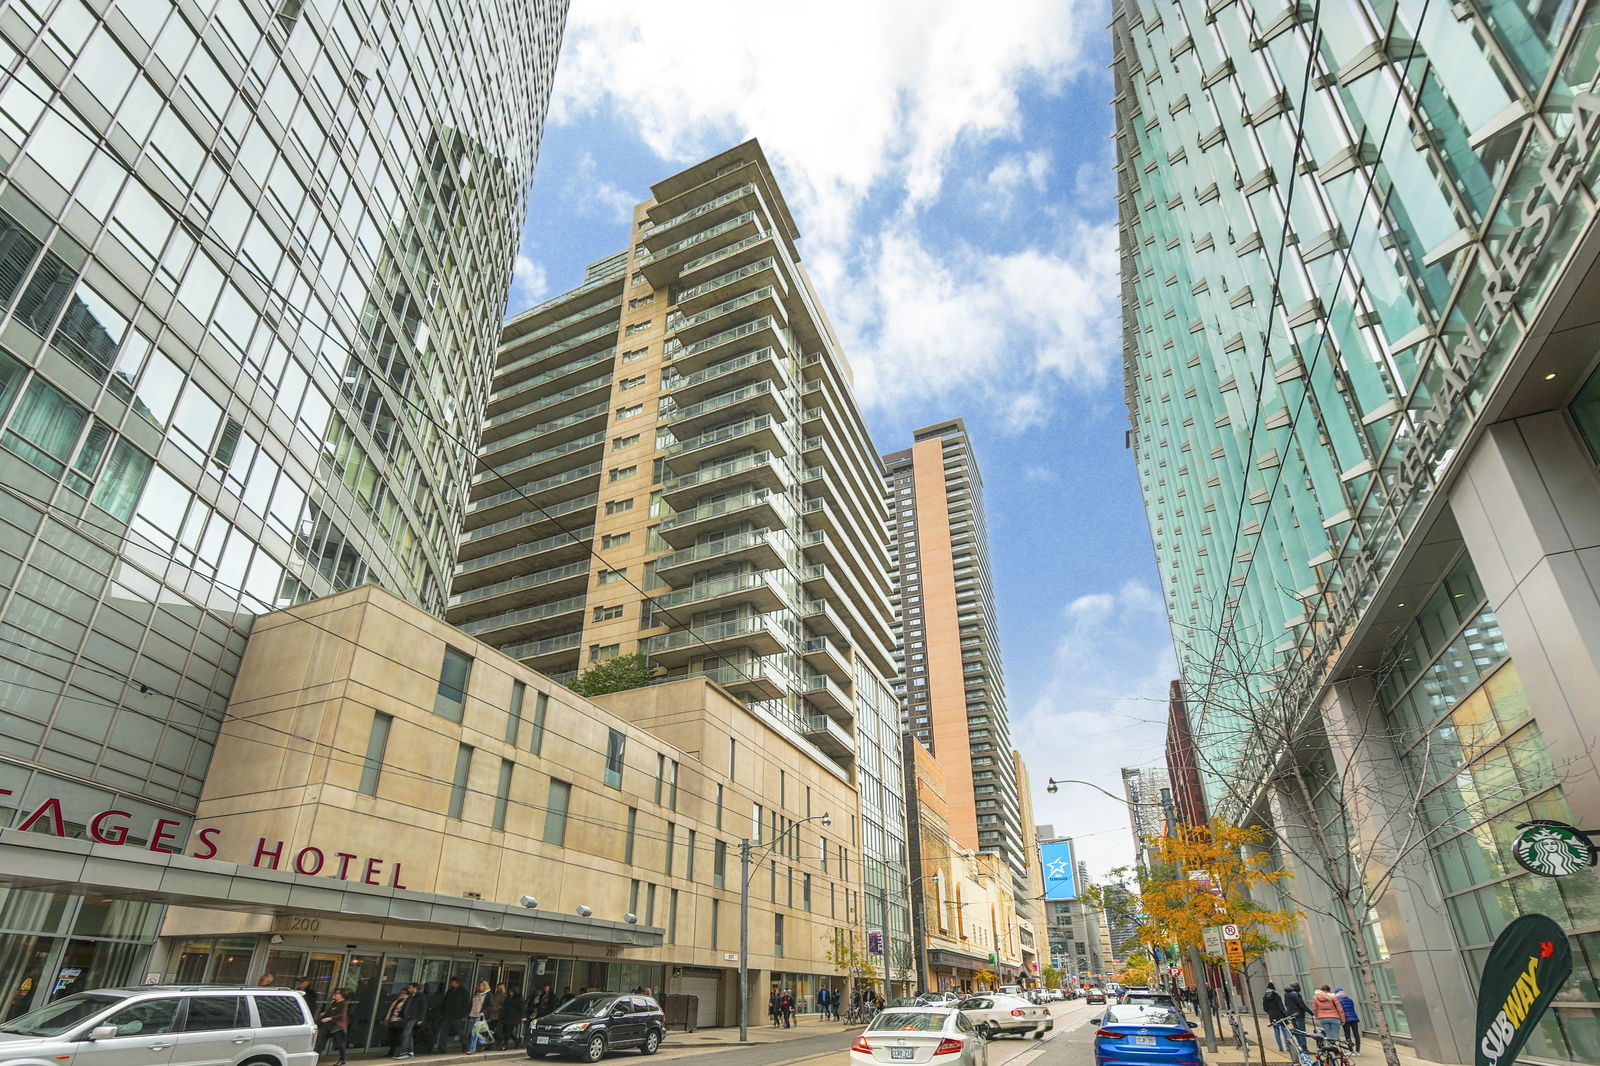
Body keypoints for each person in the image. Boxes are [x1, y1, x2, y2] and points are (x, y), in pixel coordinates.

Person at [435, 977, 471, 1054]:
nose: (451, 984)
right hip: (447, 1015)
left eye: (452, 982)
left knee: (460, 1031)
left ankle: (466, 1046)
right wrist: (442, 1012)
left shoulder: (464, 992)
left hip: (458, 1015)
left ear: (456, 982)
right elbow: (445, 1002)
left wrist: (464, 1015)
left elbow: (467, 1005)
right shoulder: (450, 991)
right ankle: (441, 1048)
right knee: (443, 1032)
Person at [392, 982, 427, 1059]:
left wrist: (421, 1019)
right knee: (409, 1035)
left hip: (414, 1017)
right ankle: (410, 1052)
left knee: (405, 1034)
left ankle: (404, 1052)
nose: (408, 989)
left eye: (410, 988)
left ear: (415, 988)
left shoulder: (421, 996)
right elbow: (406, 1007)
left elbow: (424, 1008)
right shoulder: (410, 996)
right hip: (407, 1018)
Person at [317, 988, 349, 1066]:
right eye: (335, 993)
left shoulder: (344, 1003)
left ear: (342, 995)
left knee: (340, 1043)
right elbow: (328, 1012)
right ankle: (316, 1059)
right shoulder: (334, 1003)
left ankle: (342, 1059)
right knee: (320, 1043)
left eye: (338, 993)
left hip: (337, 1027)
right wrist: (322, 1017)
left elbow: (342, 1015)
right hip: (328, 1026)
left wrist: (331, 1018)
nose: (335, 995)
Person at [1262, 982, 1292, 1053]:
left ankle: (1280, 1047)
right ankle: (1288, 1047)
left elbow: (1265, 1008)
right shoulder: (1277, 996)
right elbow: (1281, 1006)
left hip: (1272, 1016)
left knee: (1276, 1032)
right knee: (1285, 1030)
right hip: (1280, 1015)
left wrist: (1270, 1013)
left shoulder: (1265, 997)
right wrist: (1285, 1013)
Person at [468, 979, 492, 1052]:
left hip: (480, 1015)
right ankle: (483, 1042)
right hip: (473, 1014)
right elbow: (472, 1004)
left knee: (474, 1033)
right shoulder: (477, 993)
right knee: (472, 1032)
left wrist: (483, 1012)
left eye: (482, 985)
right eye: (480, 985)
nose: (480, 987)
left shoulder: (488, 994)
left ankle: (472, 1049)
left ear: (485, 986)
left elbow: (489, 1006)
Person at [1284, 982, 1310, 1052]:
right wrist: (1310, 1012)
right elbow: (1301, 1005)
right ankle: (1304, 1048)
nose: (1300, 988)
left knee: (1296, 1031)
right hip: (1299, 1015)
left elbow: (1286, 1004)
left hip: (1291, 1014)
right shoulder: (1296, 994)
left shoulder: (1286, 994)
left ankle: (1299, 1047)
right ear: (1296, 987)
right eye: (1298, 986)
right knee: (1301, 1032)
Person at [1334, 987, 1361, 1053]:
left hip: (1346, 1019)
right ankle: (1358, 1050)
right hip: (1354, 1018)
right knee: (1356, 1034)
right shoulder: (1350, 999)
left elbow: (1340, 1010)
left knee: (1347, 1034)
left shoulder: (1338, 1001)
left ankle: (1351, 1050)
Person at [498, 985, 524, 1050]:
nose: (510, 993)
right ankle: (517, 1041)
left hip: (513, 1017)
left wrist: (522, 1016)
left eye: (511, 991)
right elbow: (505, 1006)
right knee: (507, 1032)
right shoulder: (508, 997)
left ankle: (504, 1045)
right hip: (506, 1017)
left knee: (508, 1032)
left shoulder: (518, 998)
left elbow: (521, 1008)